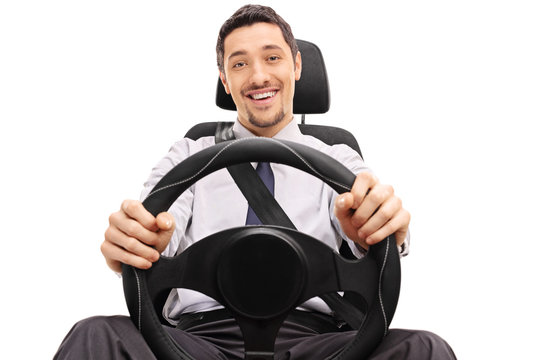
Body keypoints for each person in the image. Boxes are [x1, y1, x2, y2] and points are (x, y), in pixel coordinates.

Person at [54, 4, 456, 359]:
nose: (258, 76)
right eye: (240, 63)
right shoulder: (189, 154)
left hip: (317, 342)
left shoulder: (338, 158)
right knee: (95, 335)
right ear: (225, 81)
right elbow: (157, 224)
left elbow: (368, 209)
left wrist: (376, 232)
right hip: (198, 341)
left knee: (424, 349)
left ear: (296, 66)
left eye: (272, 57)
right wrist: (140, 241)